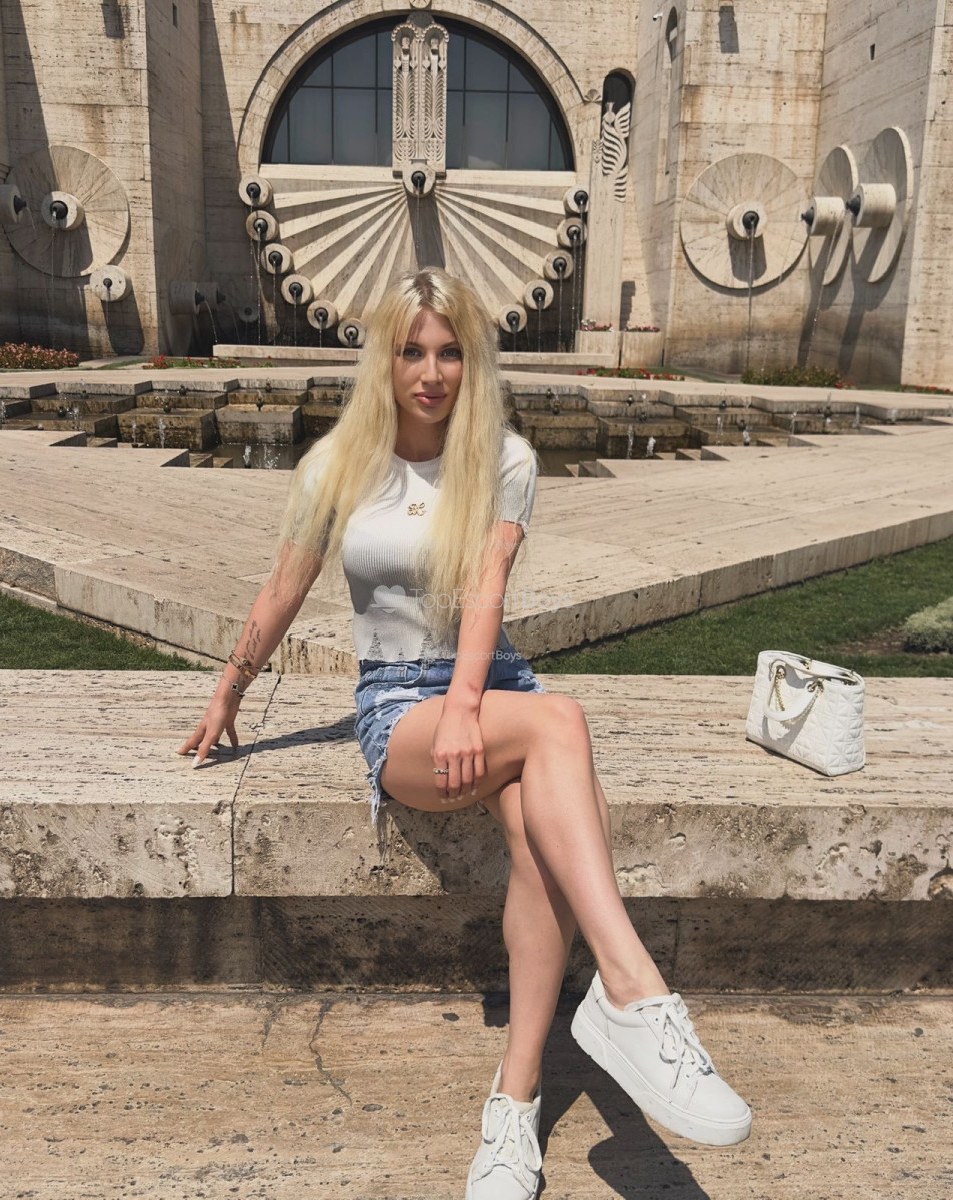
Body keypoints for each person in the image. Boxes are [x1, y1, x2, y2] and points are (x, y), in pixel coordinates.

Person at [177, 267, 751, 1199]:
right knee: (562, 725)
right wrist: (230, 688)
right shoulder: (335, 466)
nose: (431, 373)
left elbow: (487, 595)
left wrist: (472, 705)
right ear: (384, 357)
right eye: (412, 351)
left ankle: (514, 1107)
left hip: (492, 684)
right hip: (399, 700)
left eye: (450, 352)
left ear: (472, 361)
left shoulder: (505, 459)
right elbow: (283, 587)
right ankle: (634, 994)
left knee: (542, 840)